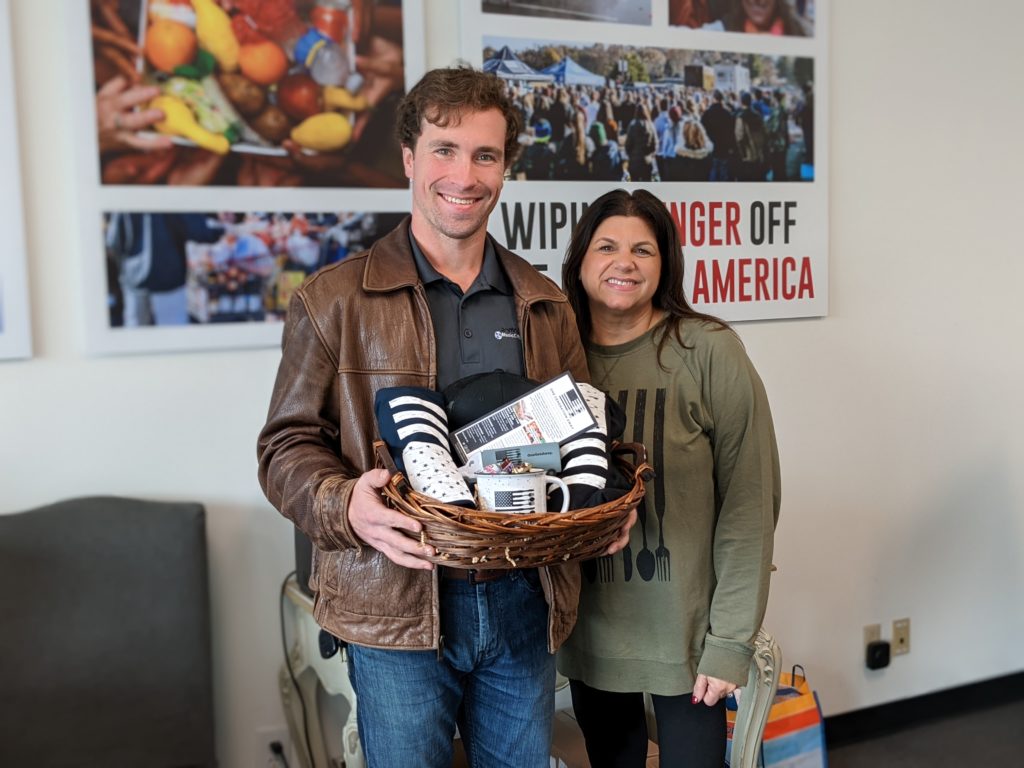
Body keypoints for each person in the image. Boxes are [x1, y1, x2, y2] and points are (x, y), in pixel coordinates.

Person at [257, 67, 635, 768]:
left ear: (505, 168)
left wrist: (609, 503)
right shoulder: (333, 299)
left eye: (485, 155)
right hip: (394, 604)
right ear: (409, 157)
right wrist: (347, 505)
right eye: (445, 149)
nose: (464, 174)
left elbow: (583, 431)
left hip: (526, 596)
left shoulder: (543, 301)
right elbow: (285, 449)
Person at [558, 188, 780, 768]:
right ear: (580, 259)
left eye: (643, 249)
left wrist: (730, 641)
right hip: (588, 631)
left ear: (666, 264)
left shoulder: (707, 350)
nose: (623, 262)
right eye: (606, 246)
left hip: (688, 639)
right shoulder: (556, 358)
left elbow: (750, 503)